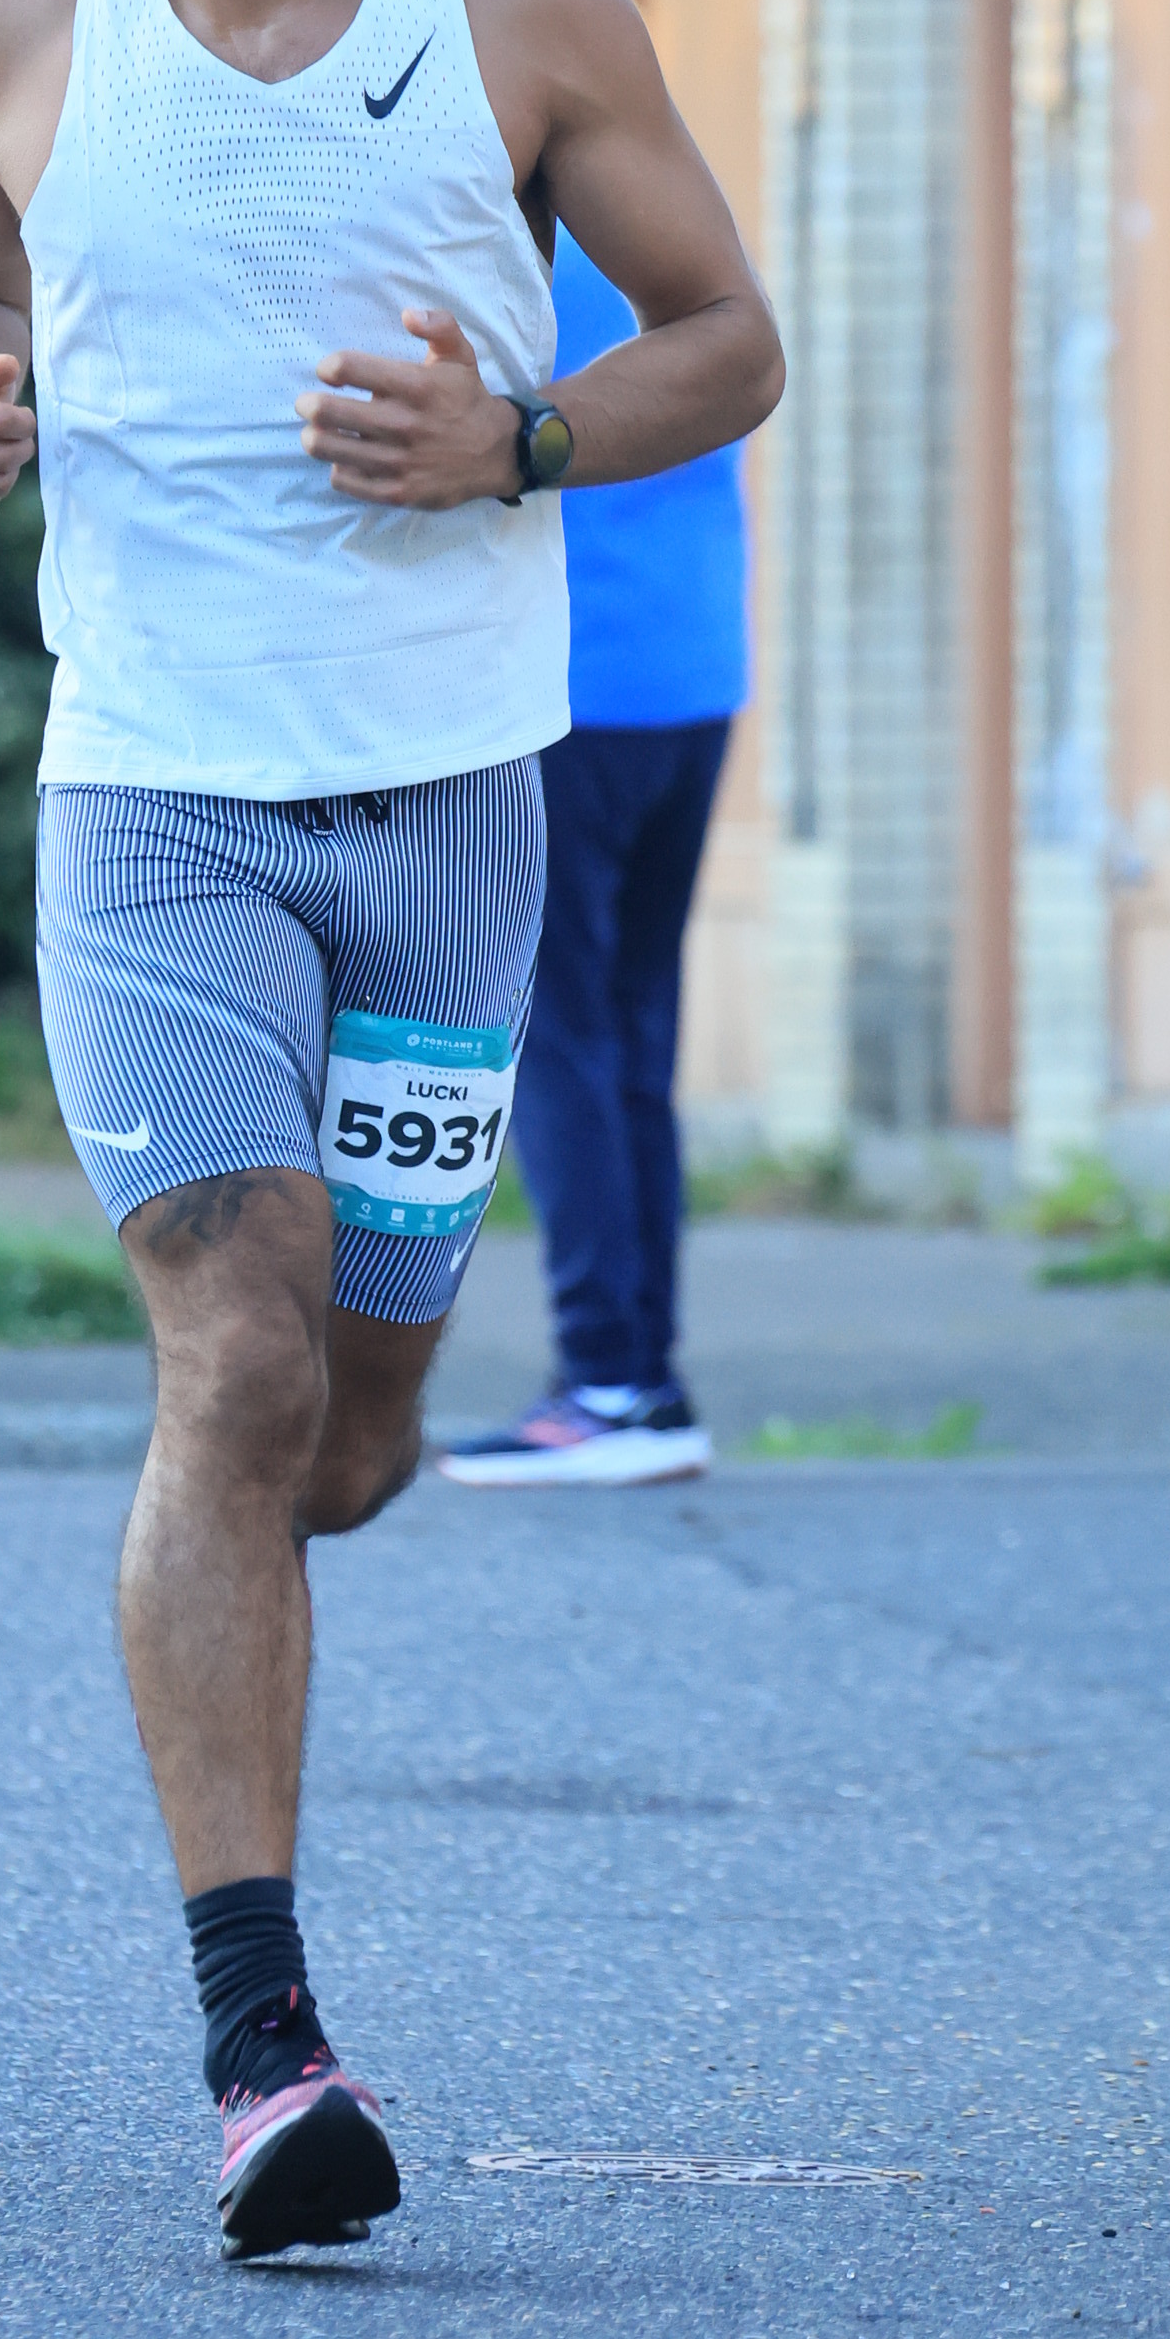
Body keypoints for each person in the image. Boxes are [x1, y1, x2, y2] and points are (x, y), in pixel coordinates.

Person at [0, 0, 781, 2263]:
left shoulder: (525, 12)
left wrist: (516, 441)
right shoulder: (10, 21)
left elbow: (728, 339)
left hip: (452, 814)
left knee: (352, 1443)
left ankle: (320, 1495)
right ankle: (266, 2051)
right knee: (231, 1362)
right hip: (151, 799)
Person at [437, 220, 748, 1487]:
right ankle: (642, 1382)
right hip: (693, 673)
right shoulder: (673, 234)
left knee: (558, 1039)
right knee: (629, 1039)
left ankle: (610, 1383)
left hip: (569, 686)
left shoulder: (480, 234)